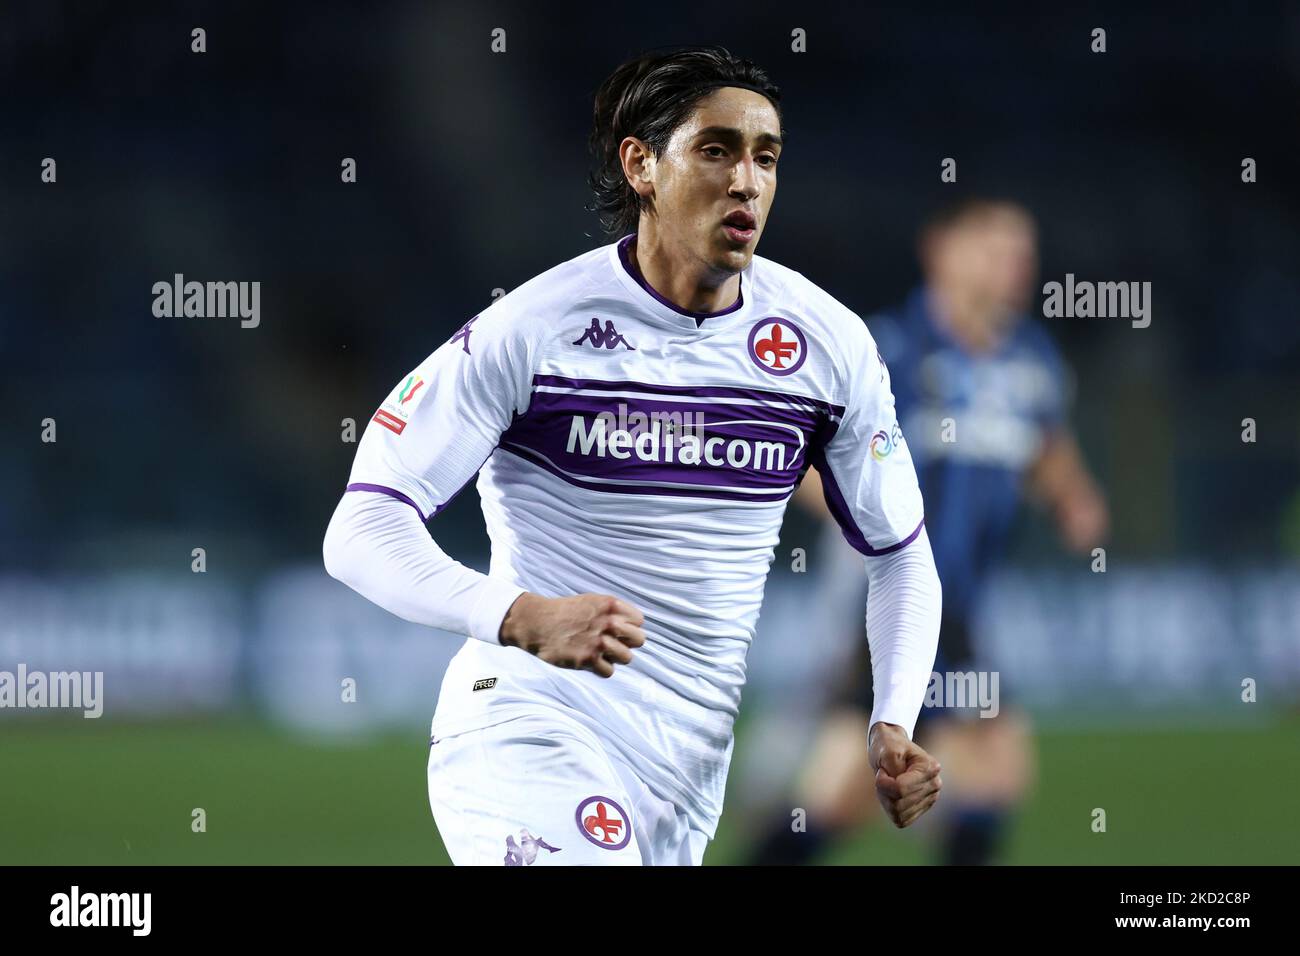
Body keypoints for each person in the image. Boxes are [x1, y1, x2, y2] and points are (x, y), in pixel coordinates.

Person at [322, 45, 943, 866]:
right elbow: (360, 526)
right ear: (642, 165)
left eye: (767, 157)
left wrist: (892, 718)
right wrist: (517, 616)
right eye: (716, 150)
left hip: (686, 769)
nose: (746, 182)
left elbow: (902, 554)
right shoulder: (534, 330)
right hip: (528, 725)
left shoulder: (827, 345)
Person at [748, 198, 1109, 865]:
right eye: (996, 249)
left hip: (962, 609)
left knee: (876, 788)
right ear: (941, 249)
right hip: (895, 603)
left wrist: (1073, 499)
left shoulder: (1029, 360)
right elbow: (797, 459)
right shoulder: (889, 350)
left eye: (1023, 253)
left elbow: (1046, 447)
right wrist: (876, 525)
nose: (1016, 266)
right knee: (952, 773)